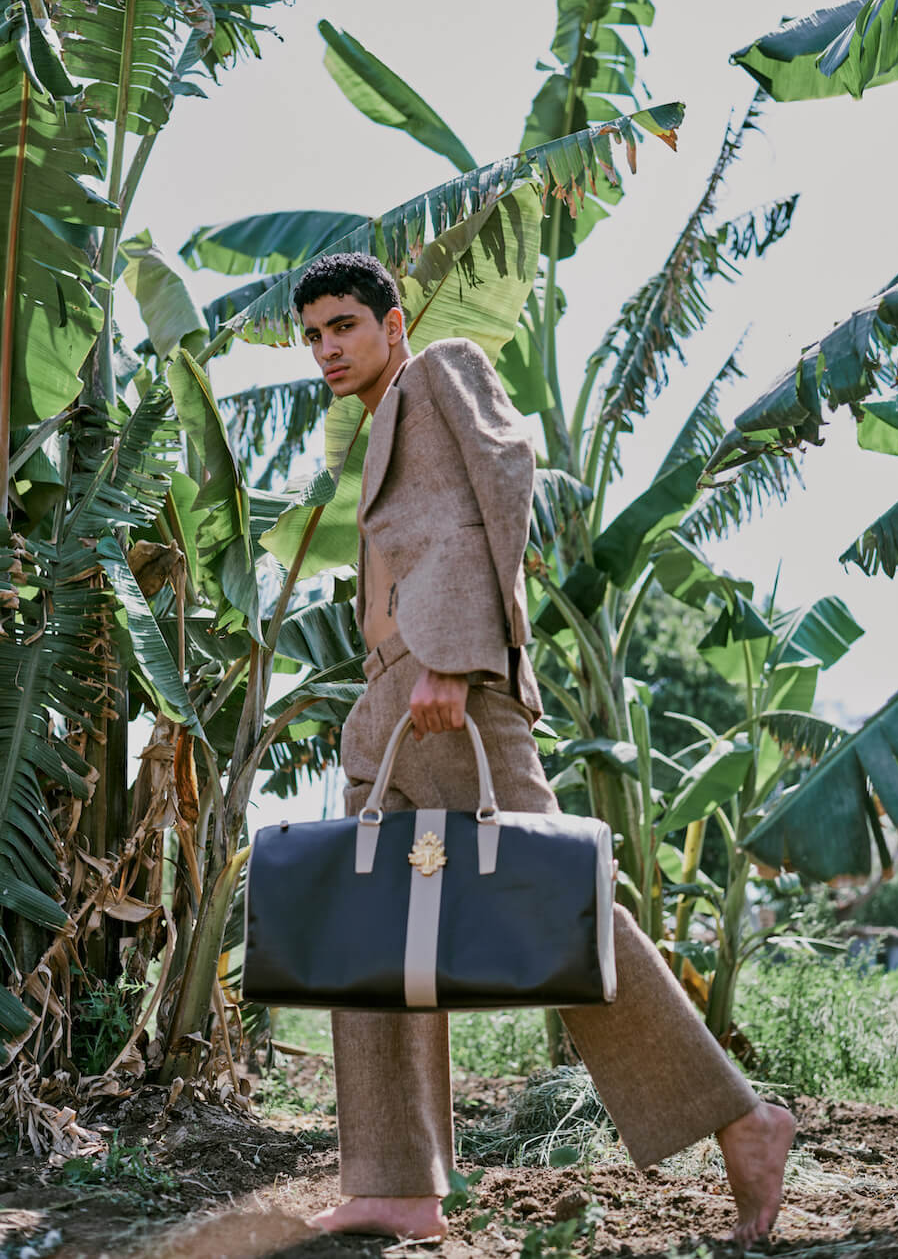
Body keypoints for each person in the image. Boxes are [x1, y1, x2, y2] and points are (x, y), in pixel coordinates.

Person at [292, 252, 795, 1245]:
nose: (327, 349)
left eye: (343, 325)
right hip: (385, 699)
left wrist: (456, 655)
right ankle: (396, 1183)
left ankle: (742, 1117)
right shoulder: (380, 421)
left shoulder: (441, 368)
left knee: (558, 901)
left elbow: (505, 478)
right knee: (370, 931)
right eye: (312, 336)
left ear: (394, 324)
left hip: (449, 688)